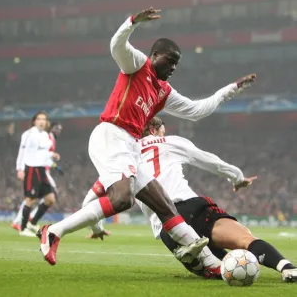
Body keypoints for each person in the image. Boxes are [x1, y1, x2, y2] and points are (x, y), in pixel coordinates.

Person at [38, 7, 256, 266]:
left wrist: (230, 90)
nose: (173, 67)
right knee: (122, 199)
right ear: (154, 55)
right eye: (170, 60)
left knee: (165, 205)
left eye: (177, 63)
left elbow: (197, 111)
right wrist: (132, 22)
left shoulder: (164, 91)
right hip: (111, 135)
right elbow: (117, 46)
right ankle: (53, 231)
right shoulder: (137, 64)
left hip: (130, 145)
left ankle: (212, 266)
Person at [86, 117, 297, 282]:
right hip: (191, 207)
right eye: (162, 130)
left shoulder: (123, 155)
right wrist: (238, 178)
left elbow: (96, 196)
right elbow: (210, 161)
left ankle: (203, 260)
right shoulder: (171, 141)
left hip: (168, 227)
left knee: (222, 269)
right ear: (153, 130)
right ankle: (287, 268)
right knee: (245, 240)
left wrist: (97, 228)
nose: (164, 134)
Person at [16, 112, 60, 237]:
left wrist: (52, 155)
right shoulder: (28, 134)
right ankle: (23, 228)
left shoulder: (46, 135)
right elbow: (22, 151)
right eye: (39, 119)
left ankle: (32, 223)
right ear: (34, 121)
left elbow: (43, 152)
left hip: (41, 169)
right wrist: (19, 169)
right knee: (31, 198)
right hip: (31, 168)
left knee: (50, 199)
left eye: (44, 119)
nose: (42, 121)